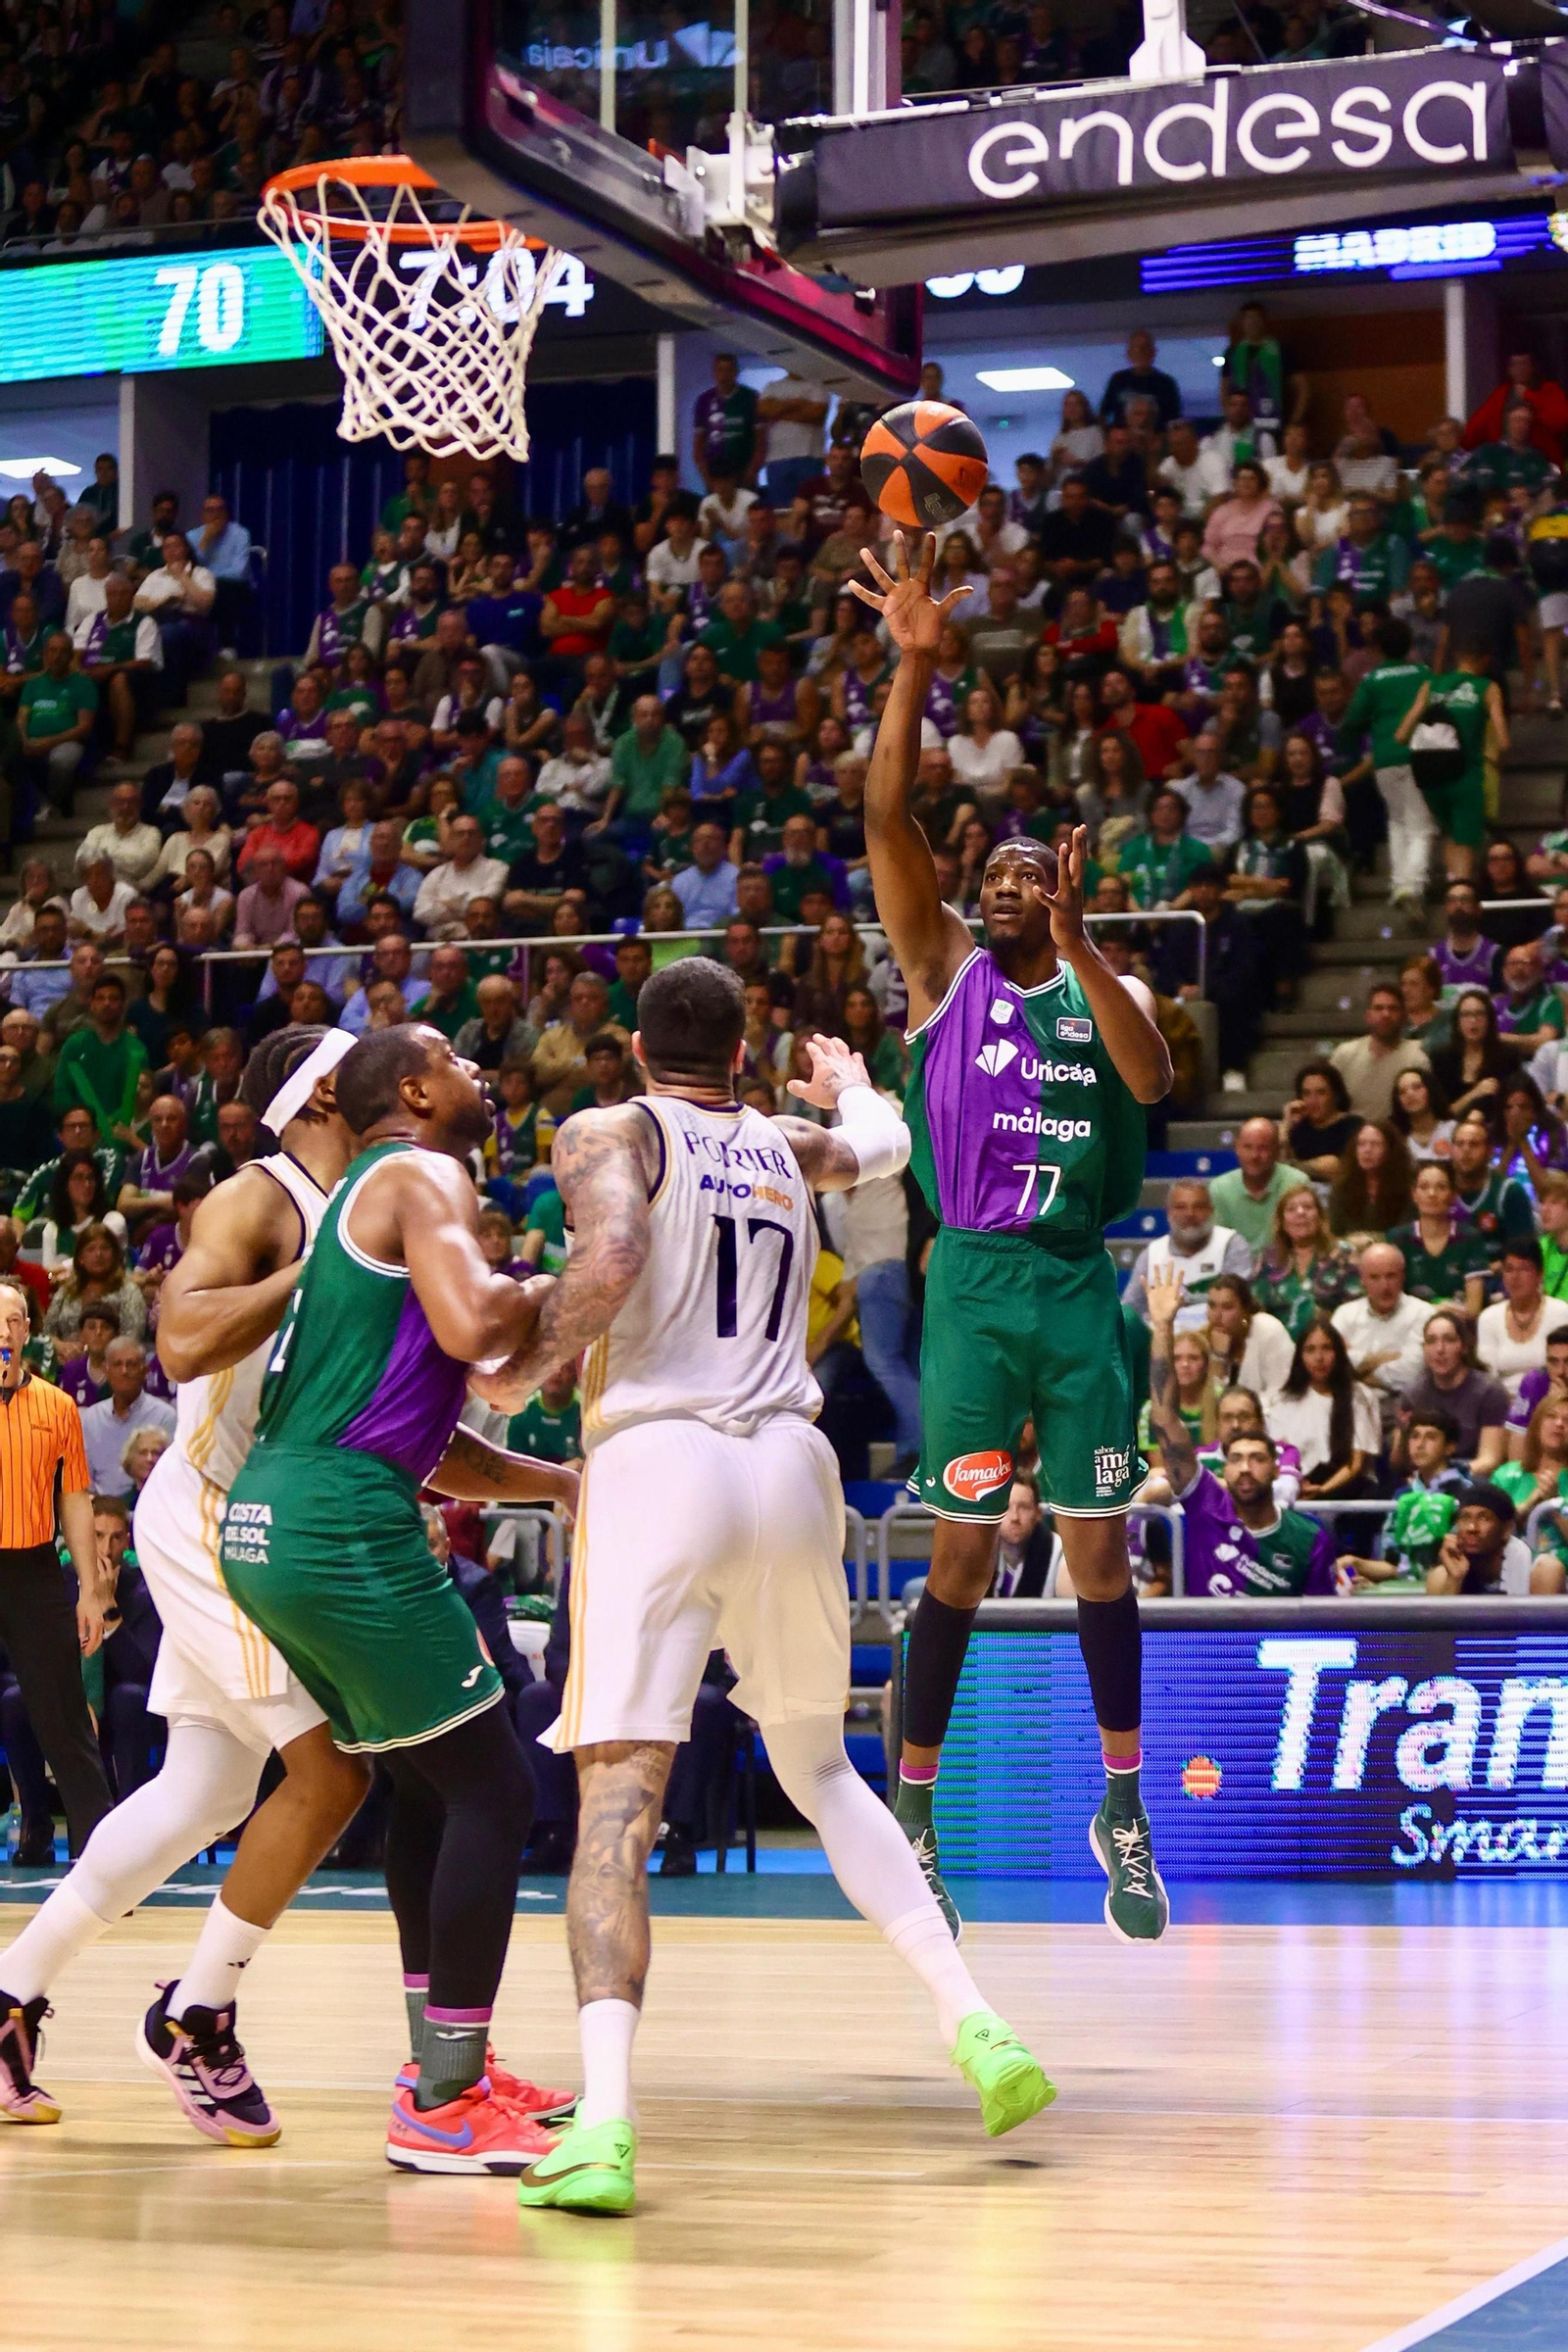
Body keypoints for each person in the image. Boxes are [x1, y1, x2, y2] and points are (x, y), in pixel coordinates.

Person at [478, 983, 1051, 2215]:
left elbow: (613, 1253)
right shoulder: (787, 1144)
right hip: (791, 1465)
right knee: (825, 1772)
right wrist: (844, 1081)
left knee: (618, 1799)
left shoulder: (608, 1132)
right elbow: (888, 1146)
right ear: (740, 1055)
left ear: (636, 1049)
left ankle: (608, 2125)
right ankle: (977, 2023)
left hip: (662, 1458)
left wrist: (520, 1369)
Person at [849, 530, 1172, 1946]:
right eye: (991, 868)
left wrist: (1091, 945)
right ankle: (912, 1813)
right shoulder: (941, 979)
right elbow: (883, 824)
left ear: (1066, 893)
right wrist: (913, 670)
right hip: (974, 1286)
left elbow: (1153, 1080)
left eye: (1031, 872)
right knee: (960, 1564)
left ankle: (1123, 1806)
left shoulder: (1107, 982)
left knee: (1101, 1560)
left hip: (1074, 1287)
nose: (1002, 880)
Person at [219, 1024, 578, 2174]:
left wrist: (563, 1484)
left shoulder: (364, 1205)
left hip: (276, 1519)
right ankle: (443, 2103)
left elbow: (424, 1439)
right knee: (498, 1788)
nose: (483, 1072)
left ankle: (441, 2061)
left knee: (430, 1787)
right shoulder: (425, 1173)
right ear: (416, 1093)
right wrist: (573, 1283)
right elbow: (479, 1329)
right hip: (334, 1526)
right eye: (461, 1063)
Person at [0, 1278, 114, 1876]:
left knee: (65, 1717)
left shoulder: (57, 1405)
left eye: (12, 1320)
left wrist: (89, 1592)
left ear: (27, 1332)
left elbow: (75, 1499)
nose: (1, 1332)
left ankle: (100, 1866)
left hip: (33, 1569)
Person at [1145, 1262, 1335, 1596]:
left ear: (1276, 1468)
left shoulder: (1309, 1536)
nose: (1245, 1468)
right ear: (1223, 1466)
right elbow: (1164, 1421)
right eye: (1237, 1459)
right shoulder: (1206, 1508)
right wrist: (1163, 1327)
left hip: (1276, 1647)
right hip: (1210, 1647)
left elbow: (1323, 1624)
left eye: (1257, 1459)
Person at [1394, 641, 1507, 886]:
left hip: (1431, 778)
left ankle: (1452, 889)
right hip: (1466, 776)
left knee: (1450, 835)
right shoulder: (1487, 688)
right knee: (1465, 840)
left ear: (1457, 656)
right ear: (1486, 660)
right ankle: (1461, 895)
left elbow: (1401, 735)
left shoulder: (1430, 685)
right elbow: (1504, 741)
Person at [1265, 1313, 1381, 1500]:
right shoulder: (1283, 1400)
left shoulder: (1359, 1396)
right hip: (1294, 1491)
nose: (1319, 1357)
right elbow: (1276, 1458)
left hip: (1345, 1494)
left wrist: (1322, 1490)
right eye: (1310, 1350)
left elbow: (1355, 1463)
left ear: (1338, 1352)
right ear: (1300, 1356)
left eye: (1326, 1348)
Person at [1123, 1178, 1250, 1328]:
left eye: (1199, 1207)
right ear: (1168, 1212)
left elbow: (1238, 1302)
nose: (1190, 1214)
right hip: (1163, 1340)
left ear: (1211, 1210)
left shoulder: (1231, 1244)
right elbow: (1130, 1308)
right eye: (1181, 1207)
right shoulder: (1152, 1253)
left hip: (1217, 1336)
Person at [1396, 1308, 1509, 1475]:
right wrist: (1404, 1436)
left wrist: (1446, 1477)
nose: (1440, 1349)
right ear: (1424, 1349)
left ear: (1464, 1347)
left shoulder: (1489, 1391)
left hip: (1474, 1479)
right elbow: (1400, 1463)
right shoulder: (1413, 1394)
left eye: (1448, 1340)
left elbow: (1490, 1459)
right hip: (1425, 1478)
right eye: (1431, 1341)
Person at [1207, 1115, 1310, 1260]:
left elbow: (1305, 1241)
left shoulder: (1296, 1182)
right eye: (1248, 1147)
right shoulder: (1219, 1188)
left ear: (1278, 1150)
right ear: (1237, 1148)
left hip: (1287, 1266)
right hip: (1235, 1272)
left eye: (1263, 1148)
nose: (1254, 1156)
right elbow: (1217, 1246)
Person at [1477, 1238, 1554, 1399]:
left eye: (1524, 1269)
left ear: (1540, 1274)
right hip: (1502, 1403)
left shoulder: (1562, 1313)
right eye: (1509, 1269)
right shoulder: (1488, 1317)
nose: (1515, 1277)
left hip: (1550, 1401)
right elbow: (1486, 1378)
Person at [1422, 1483, 1533, 1594]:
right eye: (1465, 1518)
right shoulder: (1442, 1576)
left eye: (1484, 1518)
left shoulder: (1533, 1570)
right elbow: (1446, 1612)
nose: (1472, 1528)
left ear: (1506, 1529)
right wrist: (1455, 1578)